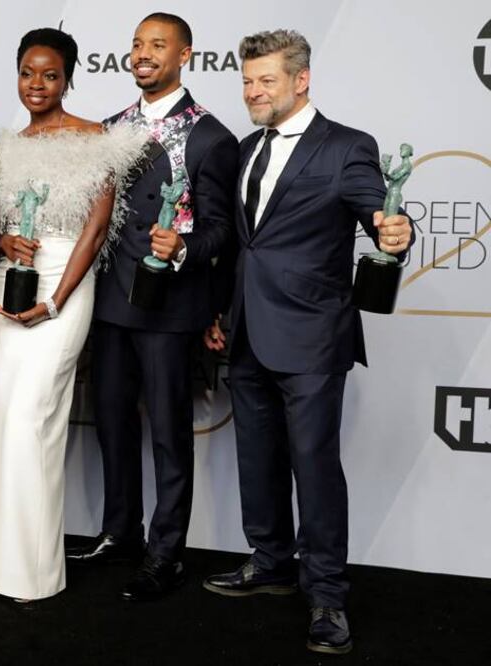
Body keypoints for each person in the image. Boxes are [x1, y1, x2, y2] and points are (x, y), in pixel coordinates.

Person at [201, 30, 413, 655]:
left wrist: (394, 228)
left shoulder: (347, 147)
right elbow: (244, 245)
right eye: (246, 81)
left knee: (315, 469)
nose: (253, 91)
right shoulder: (244, 149)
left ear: (302, 80)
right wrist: (222, 311)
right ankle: (269, 561)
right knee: (256, 460)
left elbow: (382, 210)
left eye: (266, 80)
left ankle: (325, 594)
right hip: (245, 331)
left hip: (314, 335)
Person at [0, 28, 149, 602]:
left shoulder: (97, 138)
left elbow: (95, 231)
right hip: (9, 286)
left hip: (64, 287)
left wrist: (55, 301)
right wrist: (1, 243)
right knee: (3, 423)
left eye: (49, 75)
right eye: (27, 73)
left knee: (34, 422)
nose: (36, 85)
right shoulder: (6, 143)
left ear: (68, 77)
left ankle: (35, 574)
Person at [66, 13, 239, 603]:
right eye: (137, 45)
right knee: (111, 422)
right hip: (112, 300)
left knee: (168, 432)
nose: (143, 54)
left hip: (170, 308)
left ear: (185, 55)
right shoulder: (110, 128)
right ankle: (120, 532)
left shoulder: (210, 136)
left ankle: (165, 553)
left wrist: (187, 246)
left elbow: (224, 232)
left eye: (157, 46)